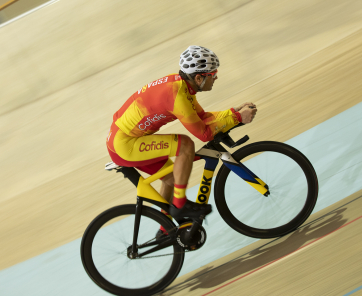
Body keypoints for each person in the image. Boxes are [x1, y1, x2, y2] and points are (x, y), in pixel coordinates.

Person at [106, 45, 257, 233]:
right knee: (185, 144)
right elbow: (204, 133)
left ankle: (165, 230)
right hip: (125, 145)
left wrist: (233, 112)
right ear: (199, 77)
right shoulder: (177, 96)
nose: (216, 77)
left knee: (171, 178)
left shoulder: (182, 85)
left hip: (123, 140)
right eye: (213, 73)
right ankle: (180, 206)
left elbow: (201, 117)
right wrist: (237, 119)